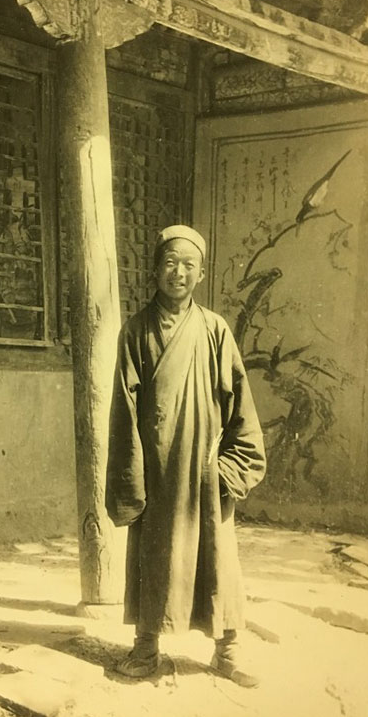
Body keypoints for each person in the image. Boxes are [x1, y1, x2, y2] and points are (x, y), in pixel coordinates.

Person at [106, 224, 266, 687]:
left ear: (200, 274)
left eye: (188, 265)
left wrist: (231, 467)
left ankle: (228, 650)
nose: (178, 272)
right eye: (170, 262)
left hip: (204, 470)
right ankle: (145, 646)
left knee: (219, 559)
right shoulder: (135, 330)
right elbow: (124, 409)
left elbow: (241, 404)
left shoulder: (215, 329)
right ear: (156, 269)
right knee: (154, 555)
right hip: (156, 470)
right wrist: (132, 477)